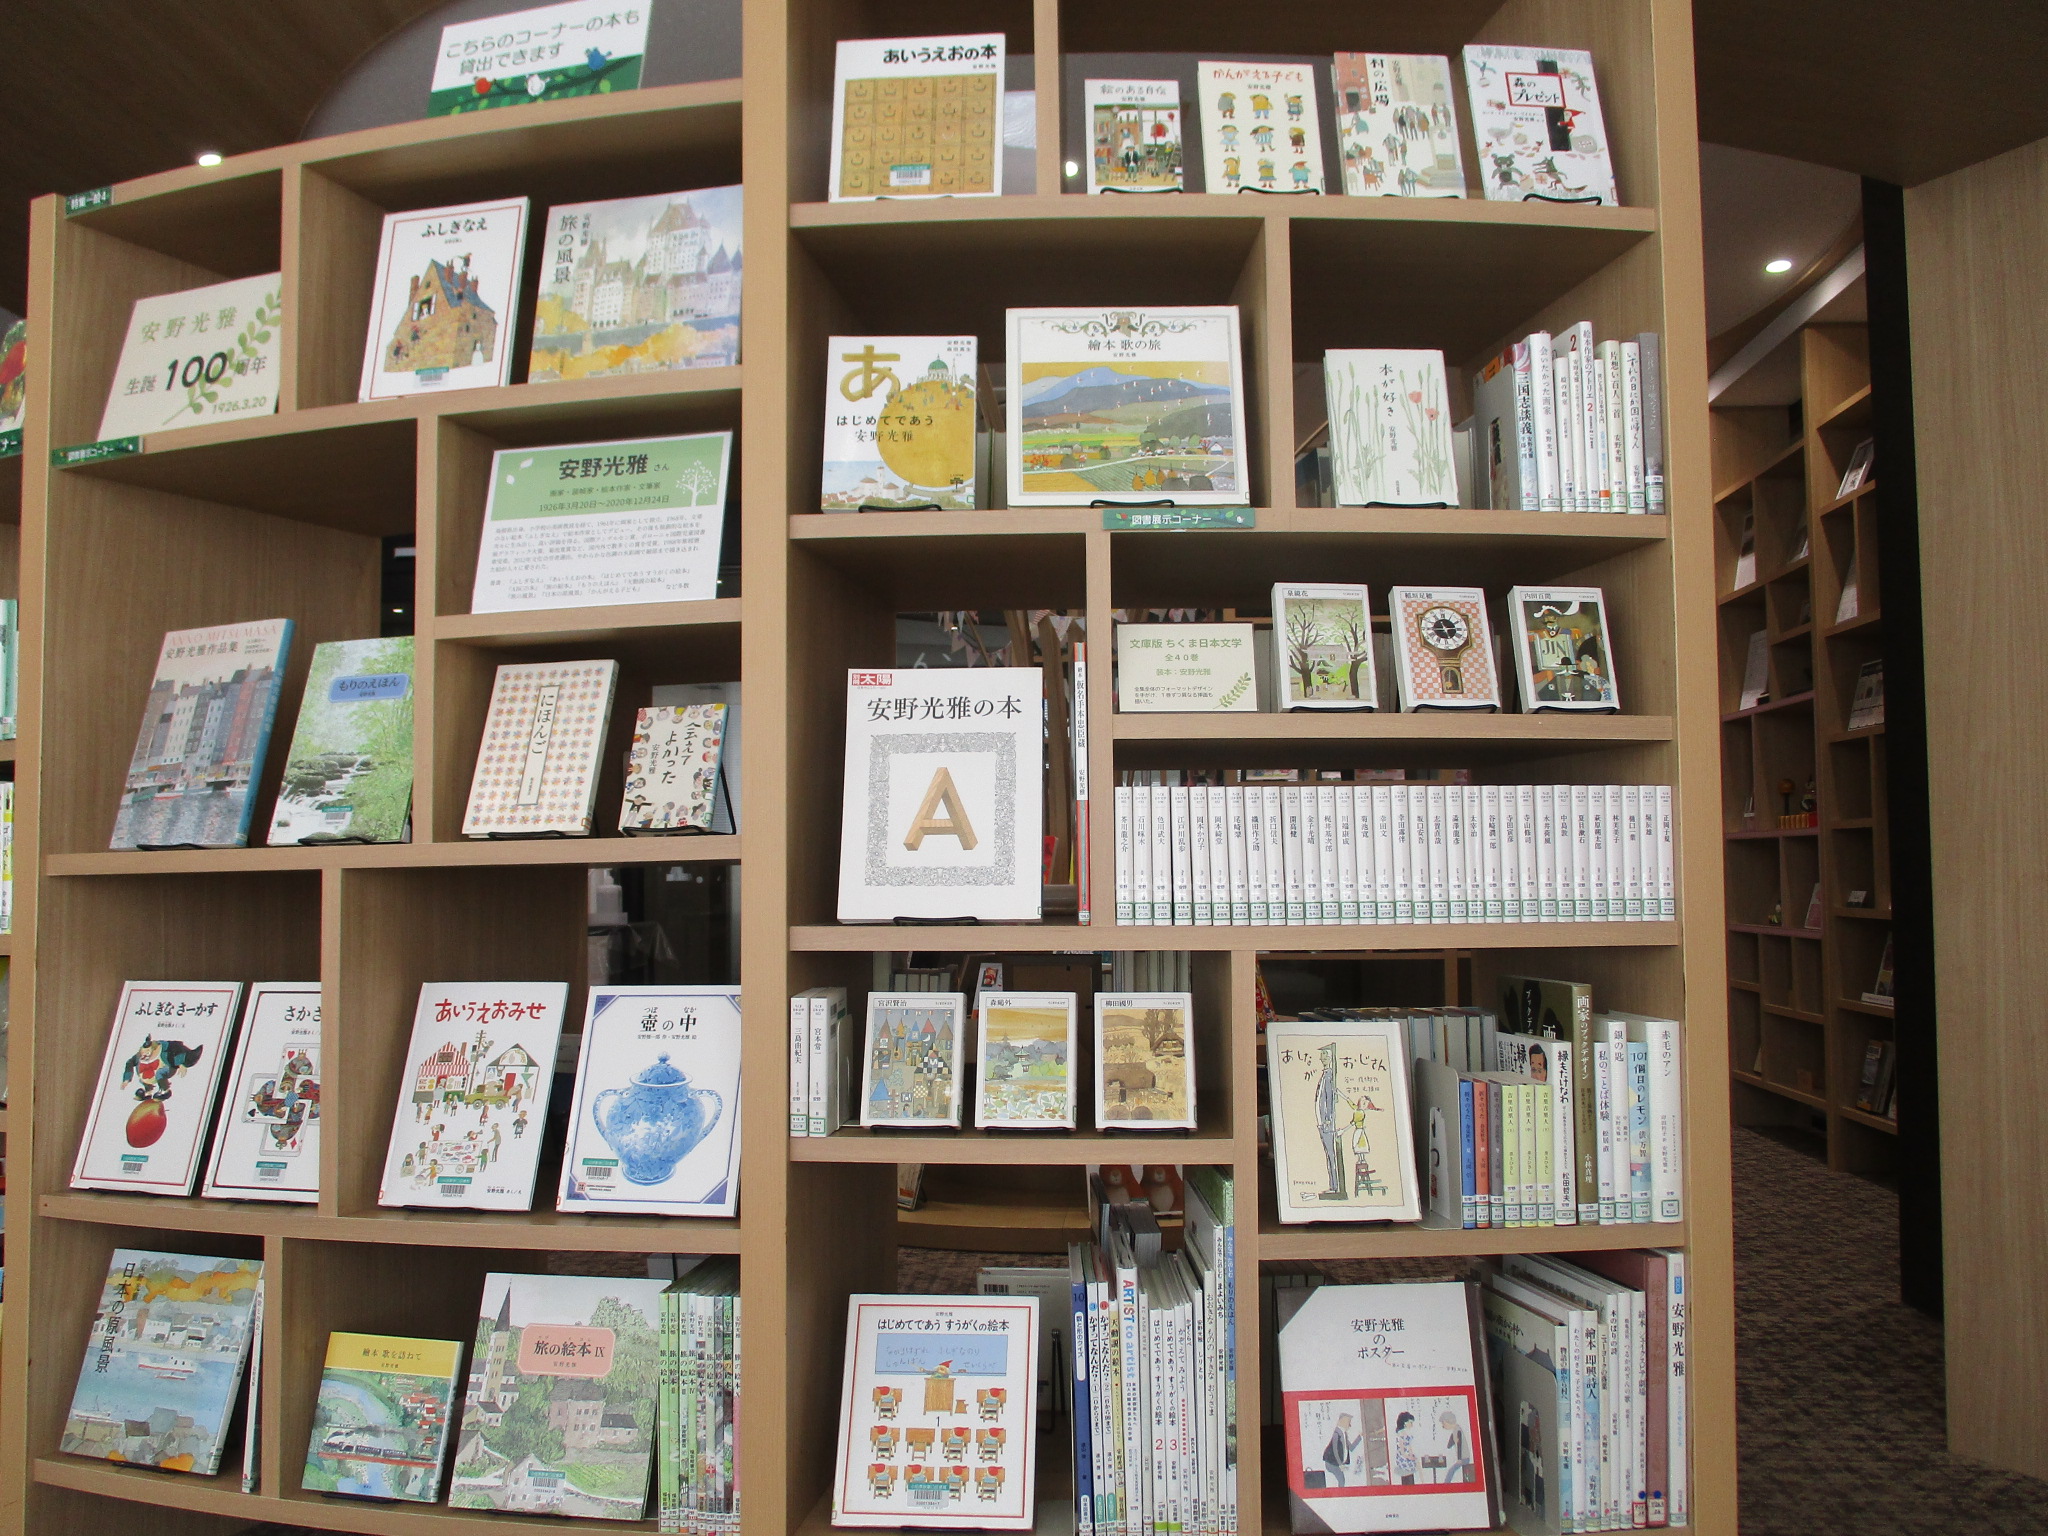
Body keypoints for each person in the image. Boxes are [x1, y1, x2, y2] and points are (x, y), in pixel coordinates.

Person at [1321, 1412, 1362, 1487]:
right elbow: (1335, 1451)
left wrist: (1359, 1437)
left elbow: (1351, 1448)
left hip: (1338, 1463)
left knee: (1342, 1480)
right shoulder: (1336, 1434)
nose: (1350, 1425)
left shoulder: (1344, 1434)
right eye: (1348, 1422)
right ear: (1343, 1421)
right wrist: (1340, 1464)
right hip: (1331, 1463)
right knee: (1341, 1480)